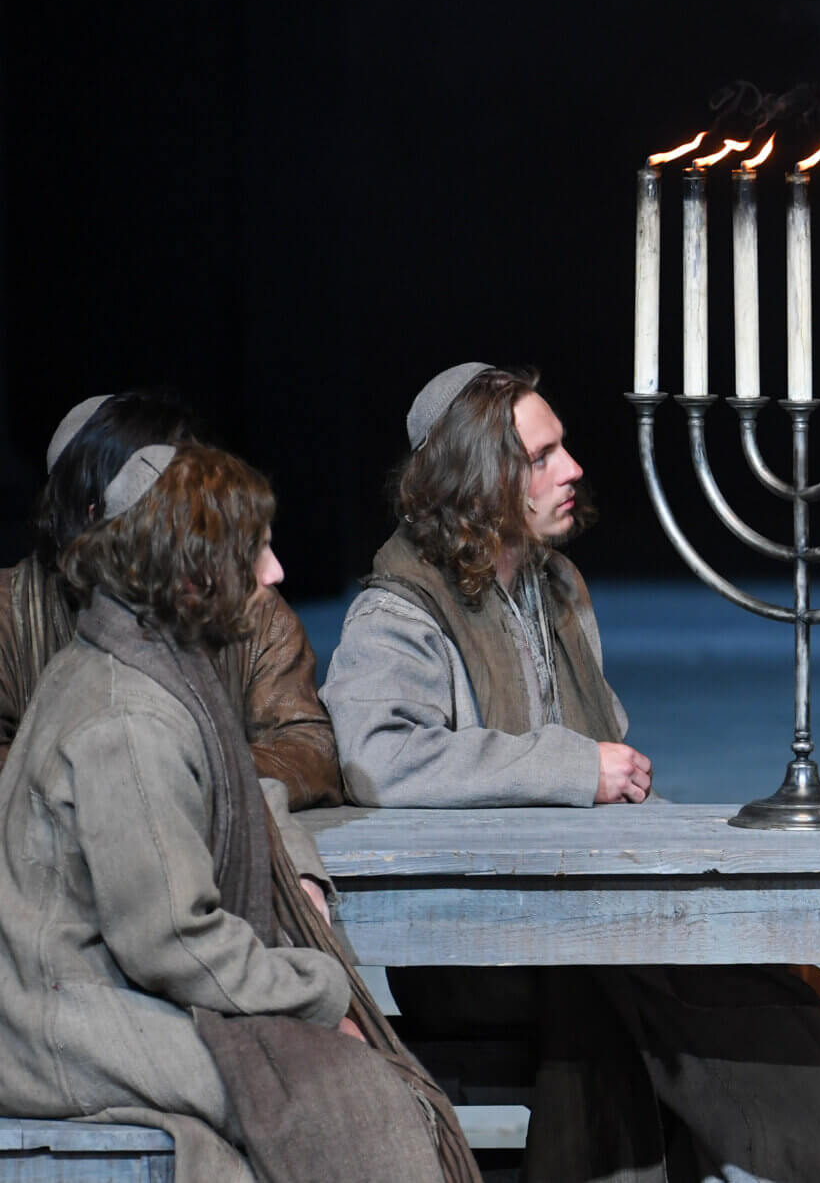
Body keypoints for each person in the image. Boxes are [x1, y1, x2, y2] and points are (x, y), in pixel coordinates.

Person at [321, 362, 820, 1183]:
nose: (570, 470)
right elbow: (379, 757)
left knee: (812, 996)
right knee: (733, 1011)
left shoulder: (556, 587)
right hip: (473, 936)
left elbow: (618, 771)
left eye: (562, 448)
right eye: (541, 456)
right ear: (476, 477)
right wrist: (571, 769)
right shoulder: (399, 610)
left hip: (588, 913)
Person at [0, 442, 473, 1183]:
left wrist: (300, 889)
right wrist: (318, 989)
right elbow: (175, 943)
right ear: (192, 572)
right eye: (253, 552)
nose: (277, 572)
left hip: (92, 997)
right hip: (62, 1024)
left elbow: (244, 790)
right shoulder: (127, 720)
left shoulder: (144, 663)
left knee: (339, 1076)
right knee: (344, 1094)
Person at [1, 391, 342, 809]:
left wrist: (187, 777)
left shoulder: (249, 605)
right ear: (98, 519)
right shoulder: (10, 613)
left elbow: (309, 748)